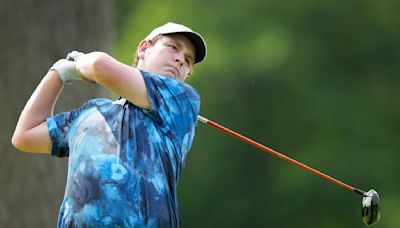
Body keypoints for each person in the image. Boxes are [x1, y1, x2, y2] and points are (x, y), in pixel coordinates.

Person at [12, 22, 207, 227]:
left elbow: (99, 66)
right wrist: (58, 73)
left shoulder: (182, 100)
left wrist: (79, 66)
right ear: (143, 48)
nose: (180, 59)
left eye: (188, 60)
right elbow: (25, 135)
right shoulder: (91, 112)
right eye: (173, 47)